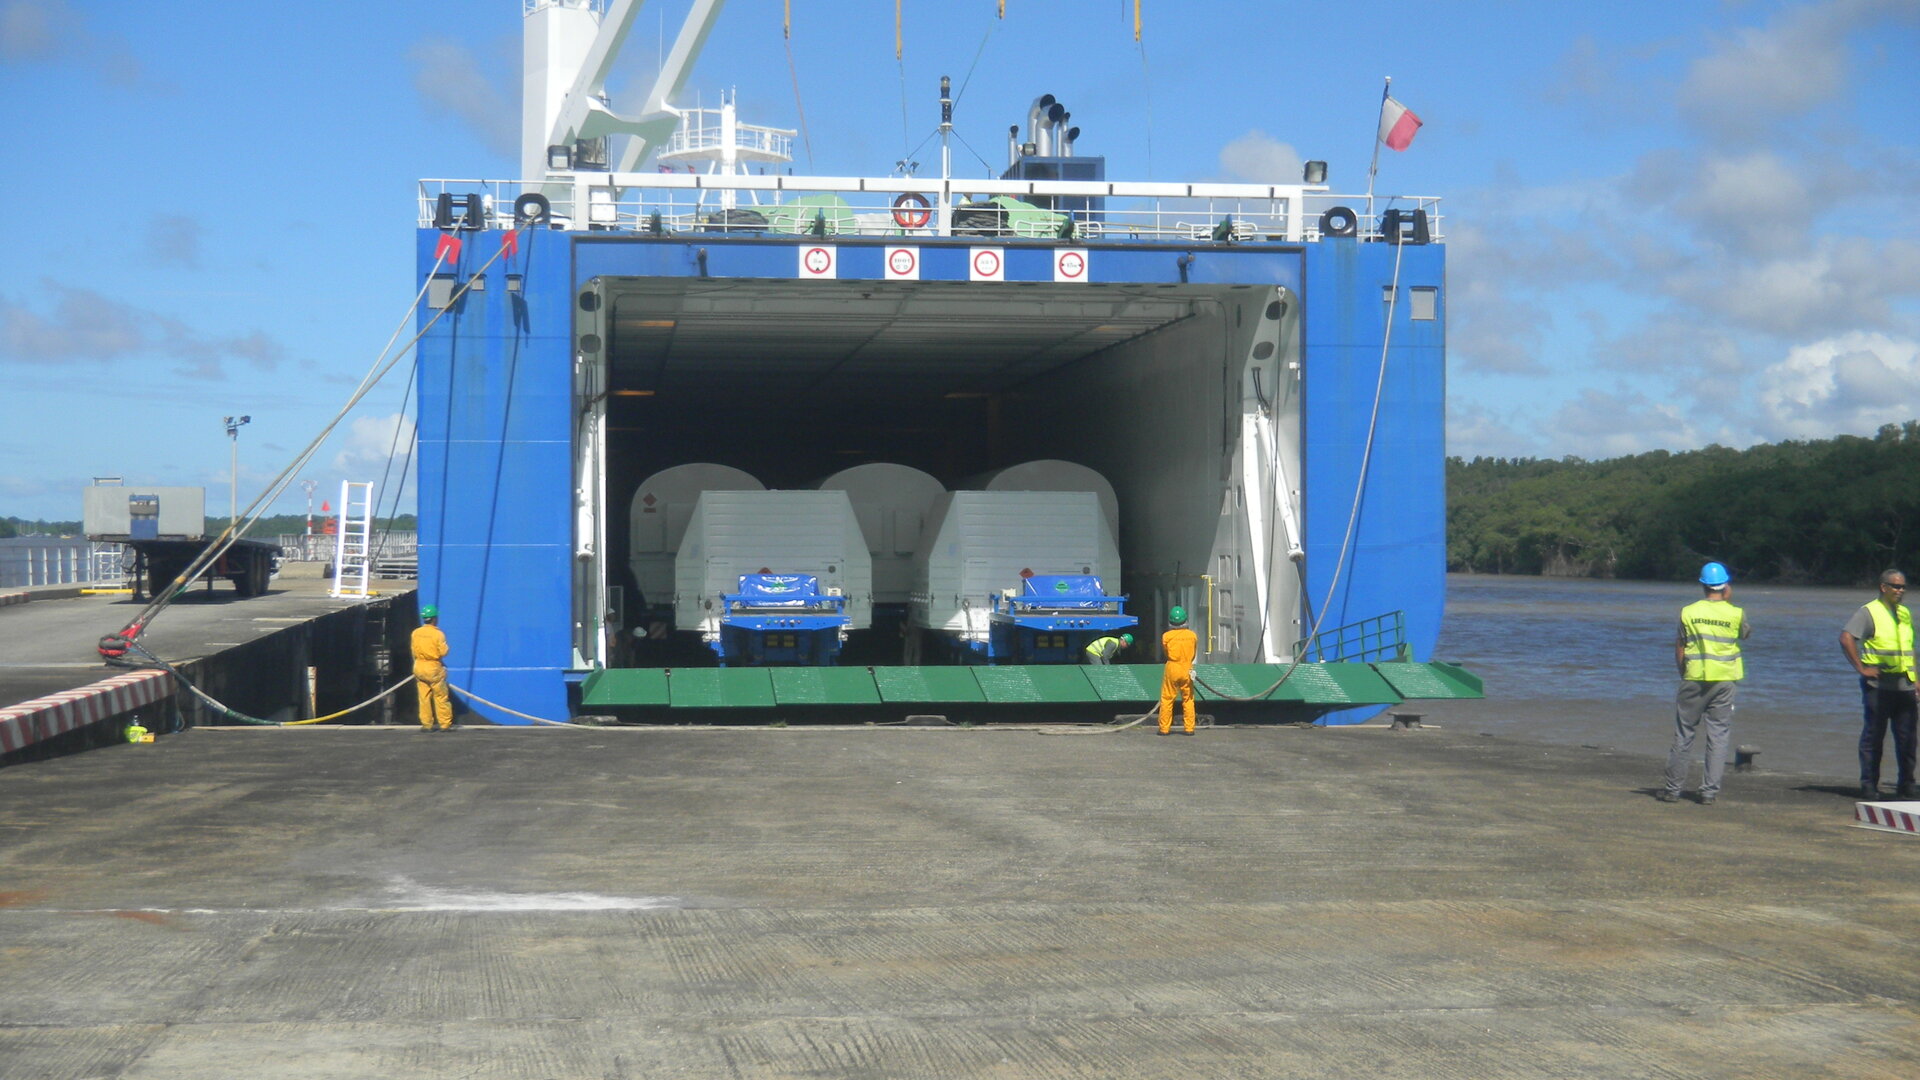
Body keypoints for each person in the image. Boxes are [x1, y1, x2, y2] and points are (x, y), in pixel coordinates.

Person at [1660, 562, 1749, 805]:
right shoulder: (1735, 612)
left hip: (1694, 677)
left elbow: (1680, 645)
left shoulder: (1688, 611)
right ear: (1725, 586)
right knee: (1718, 736)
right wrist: (1728, 603)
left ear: (1703, 585)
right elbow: (1745, 634)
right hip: (1724, 679)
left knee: (1684, 735)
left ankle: (1672, 790)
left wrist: (1683, 672)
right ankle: (1708, 793)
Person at [1839, 569, 1916, 799]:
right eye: (1895, 586)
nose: (1900, 590)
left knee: (1908, 740)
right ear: (1883, 587)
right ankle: (1870, 785)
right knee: (1874, 738)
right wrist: (1861, 668)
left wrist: (1916, 678)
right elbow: (1846, 638)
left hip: (1905, 686)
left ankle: (1907, 785)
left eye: (1903, 587)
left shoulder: (1904, 613)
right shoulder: (1869, 612)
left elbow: (1908, 649)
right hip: (1879, 687)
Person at [413, 603, 453, 733]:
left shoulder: (416, 633)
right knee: (441, 696)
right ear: (435, 618)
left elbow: (413, 650)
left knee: (423, 697)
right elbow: (443, 652)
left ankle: (426, 724)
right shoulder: (438, 634)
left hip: (419, 665)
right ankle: (444, 724)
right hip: (433, 667)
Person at [1158, 607, 1197, 736]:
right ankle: (1189, 728)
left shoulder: (1166, 636)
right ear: (1185, 620)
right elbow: (1193, 654)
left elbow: (1166, 652)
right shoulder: (1192, 635)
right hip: (1187, 667)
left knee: (1167, 699)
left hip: (1172, 667)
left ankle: (1164, 729)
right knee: (1188, 699)